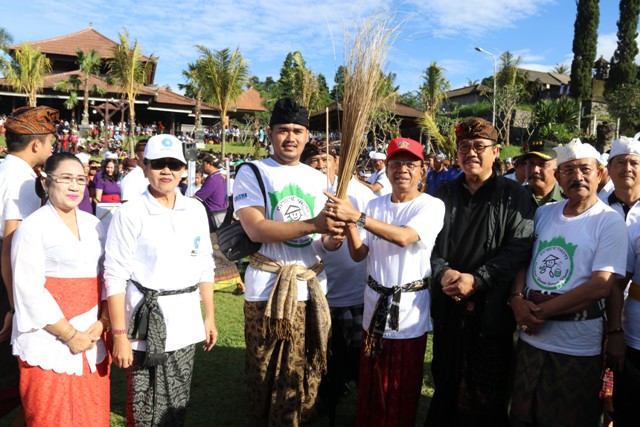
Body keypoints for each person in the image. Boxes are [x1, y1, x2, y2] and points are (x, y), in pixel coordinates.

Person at [233, 98, 341, 426]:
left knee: (307, 372)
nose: (290, 137)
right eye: (283, 130)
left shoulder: (320, 180)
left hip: (311, 289)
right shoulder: (253, 172)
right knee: (264, 372)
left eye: (297, 130)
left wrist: (335, 236)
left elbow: (324, 243)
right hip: (268, 291)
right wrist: (316, 224)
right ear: (270, 133)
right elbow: (256, 227)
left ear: (308, 136)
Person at [325, 137, 445, 427]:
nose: (402, 169)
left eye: (410, 164)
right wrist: (350, 226)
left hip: (407, 313)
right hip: (373, 305)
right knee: (372, 379)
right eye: (395, 163)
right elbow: (359, 254)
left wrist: (357, 216)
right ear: (387, 169)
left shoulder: (431, 205)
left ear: (422, 170)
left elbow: (404, 237)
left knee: (399, 384)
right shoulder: (375, 205)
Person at [510, 138, 627, 427]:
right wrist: (516, 300)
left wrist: (540, 312)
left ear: (600, 174)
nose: (577, 177)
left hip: (575, 345)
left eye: (585, 169)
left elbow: (602, 285)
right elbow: (523, 260)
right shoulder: (543, 213)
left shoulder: (609, 221)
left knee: (568, 418)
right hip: (531, 338)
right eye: (569, 170)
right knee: (524, 416)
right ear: (559, 177)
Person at [427, 118, 534, 426]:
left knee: (486, 395)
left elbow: (519, 247)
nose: (470, 153)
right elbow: (427, 244)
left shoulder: (515, 196)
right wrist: (443, 272)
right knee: (445, 383)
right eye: (464, 147)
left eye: (478, 146)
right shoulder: (443, 194)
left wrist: (478, 279)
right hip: (449, 305)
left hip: (492, 309)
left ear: (496, 151)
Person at [104, 134, 217, 426]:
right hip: (146, 323)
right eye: (158, 164)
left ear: (183, 169)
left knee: (176, 404)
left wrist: (210, 316)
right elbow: (115, 275)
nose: (166, 171)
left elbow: (205, 263)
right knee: (144, 407)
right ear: (144, 167)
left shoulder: (194, 209)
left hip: (185, 321)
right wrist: (119, 335)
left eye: (173, 164)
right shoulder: (130, 212)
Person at [10, 152, 110, 426]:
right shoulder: (32, 228)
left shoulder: (94, 225)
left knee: (91, 414)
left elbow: (106, 278)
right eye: (66, 179)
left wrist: (102, 323)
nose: (75, 186)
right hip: (48, 337)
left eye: (80, 179)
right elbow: (27, 289)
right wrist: (69, 334)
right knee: (50, 415)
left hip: (91, 336)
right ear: (46, 182)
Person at [301, 142, 374, 423]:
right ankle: (325, 402)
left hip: (356, 293)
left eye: (324, 159)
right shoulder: (305, 193)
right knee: (321, 357)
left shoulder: (361, 195)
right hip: (316, 293)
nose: (319, 165)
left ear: (337, 162)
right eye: (314, 160)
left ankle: (361, 405)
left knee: (357, 357)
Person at [0, 106, 58, 423]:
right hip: (7, 279)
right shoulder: (22, 178)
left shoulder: (5, 169)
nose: (51, 148)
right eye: (50, 142)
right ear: (35, 145)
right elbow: (12, 242)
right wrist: (14, 303)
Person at [601, 136, 640, 426]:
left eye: (635, 162)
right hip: (602, 318)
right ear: (609, 169)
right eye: (621, 162)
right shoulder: (596, 207)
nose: (628, 168)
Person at [523, 139, 564, 207]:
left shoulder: (568, 200)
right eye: (531, 163)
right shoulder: (514, 197)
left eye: (542, 164)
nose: (535, 170)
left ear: (558, 169)